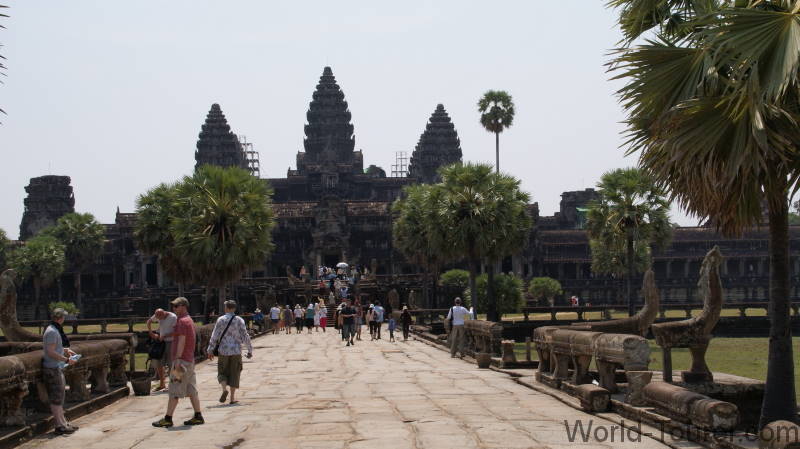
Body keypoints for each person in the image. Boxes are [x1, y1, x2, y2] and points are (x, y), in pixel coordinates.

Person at [153, 297, 204, 428]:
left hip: (181, 361)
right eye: (173, 306)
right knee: (191, 389)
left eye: (176, 306)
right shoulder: (189, 320)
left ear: (184, 306)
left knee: (174, 389)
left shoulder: (182, 321)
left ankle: (168, 418)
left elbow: (182, 340)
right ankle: (198, 415)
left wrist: (177, 359)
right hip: (189, 360)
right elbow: (180, 336)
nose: (174, 309)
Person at [207, 300, 253, 405]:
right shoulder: (239, 320)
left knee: (222, 372)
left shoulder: (221, 320)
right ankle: (232, 398)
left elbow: (215, 336)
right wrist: (249, 349)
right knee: (235, 373)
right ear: (234, 308)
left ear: (226, 308)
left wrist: (210, 349)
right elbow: (245, 335)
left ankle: (224, 389)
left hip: (223, 350)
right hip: (236, 350)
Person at [43, 308, 79, 435]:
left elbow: (54, 348)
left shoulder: (53, 330)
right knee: (56, 397)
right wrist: (67, 359)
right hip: (52, 368)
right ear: (60, 318)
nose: (64, 319)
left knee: (60, 397)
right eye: (64, 317)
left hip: (56, 367)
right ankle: (59, 425)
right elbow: (50, 352)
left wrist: (65, 350)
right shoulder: (52, 331)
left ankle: (63, 422)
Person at [146, 307, 177, 392]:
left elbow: (176, 332)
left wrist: (165, 336)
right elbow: (149, 322)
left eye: (160, 318)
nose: (159, 320)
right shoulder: (158, 315)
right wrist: (151, 332)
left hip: (171, 342)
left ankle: (174, 384)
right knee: (159, 363)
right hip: (160, 342)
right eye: (157, 318)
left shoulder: (173, 317)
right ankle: (162, 384)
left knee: (171, 363)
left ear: (163, 314)